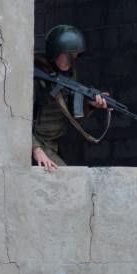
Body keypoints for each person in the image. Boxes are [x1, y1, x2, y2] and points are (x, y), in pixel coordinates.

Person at [32, 25, 110, 172]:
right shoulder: (36, 77)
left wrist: (91, 104)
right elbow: (17, 120)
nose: (70, 59)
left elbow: (74, 117)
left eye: (74, 54)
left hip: (54, 144)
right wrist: (36, 149)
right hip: (36, 143)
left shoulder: (70, 75)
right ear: (54, 52)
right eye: (66, 54)